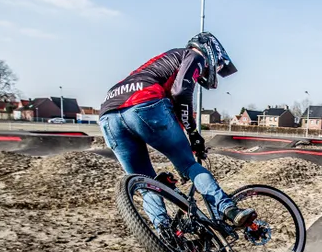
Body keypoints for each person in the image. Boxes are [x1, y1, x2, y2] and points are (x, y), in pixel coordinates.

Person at [98, 32, 256, 229]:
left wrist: (186, 135)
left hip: (108, 116)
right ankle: (228, 209)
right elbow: (180, 92)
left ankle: (165, 237)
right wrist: (193, 135)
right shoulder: (195, 55)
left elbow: (171, 111)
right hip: (144, 104)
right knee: (189, 165)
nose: (210, 72)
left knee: (147, 185)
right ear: (212, 52)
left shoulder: (159, 64)